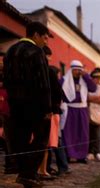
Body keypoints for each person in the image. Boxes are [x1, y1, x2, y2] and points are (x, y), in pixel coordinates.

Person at [4, 22, 52, 188]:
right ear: (36, 35)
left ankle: (25, 174)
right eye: (44, 37)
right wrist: (47, 108)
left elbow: (6, 80)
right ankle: (29, 174)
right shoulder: (36, 52)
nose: (46, 42)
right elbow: (43, 83)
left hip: (16, 105)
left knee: (21, 140)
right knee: (41, 139)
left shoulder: (10, 51)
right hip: (35, 105)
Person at [61, 60, 96, 163]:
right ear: (71, 70)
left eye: (79, 70)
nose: (77, 72)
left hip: (82, 110)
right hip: (70, 109)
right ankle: (69, 155)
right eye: (75, 69)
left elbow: (93, 88)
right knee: (69, 133)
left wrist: (86, 76)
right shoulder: (64, 80)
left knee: (83, 133)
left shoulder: (84, 80)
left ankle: (81, 155)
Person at [38, 46, 62, 179]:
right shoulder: (47, 72)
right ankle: (42, 170)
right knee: (45, 143)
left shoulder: (41, 71)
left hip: (44, 111)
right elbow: (58, 93)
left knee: (44, 143)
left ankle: (42, 169)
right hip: (48, 112)